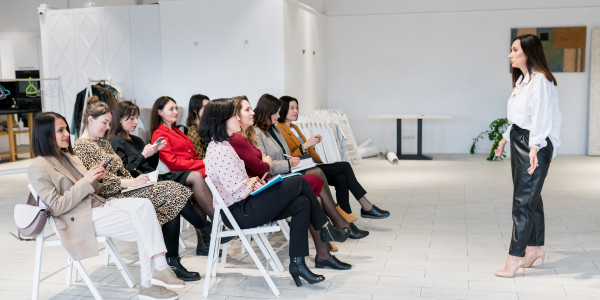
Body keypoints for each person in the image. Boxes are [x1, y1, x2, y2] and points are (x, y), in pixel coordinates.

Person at [28, 112, 184, 300]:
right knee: (147, 224)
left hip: (100, 206)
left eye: (66, 129)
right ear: (44, 134)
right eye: (60, 130)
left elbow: (92, 189)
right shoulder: (38, 166)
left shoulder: (69, 156)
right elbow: (56, 206)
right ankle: (149, 283)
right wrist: (86, 181)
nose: (67, 134)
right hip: (78, 219)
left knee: (145, 207)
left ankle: (159, 270)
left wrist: (96, 177)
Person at [200, 98, 347, 287]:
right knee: (300, 183)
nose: (238, 118)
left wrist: (252, 181)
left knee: (302, 202)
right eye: (234, 114)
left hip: (243, 205)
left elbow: (238, 183)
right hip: (239, 212)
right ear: (221, 120)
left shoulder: (224, 145)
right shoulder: (220, 149)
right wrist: (251, 183)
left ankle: (298, 263)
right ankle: (325, 226)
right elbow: (239, 191)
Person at [73, 98, 201, 282]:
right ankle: (202, 233)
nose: (108, 127)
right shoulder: (81, 147)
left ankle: (172, 261)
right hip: (112, 194)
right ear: (90, 120)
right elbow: (98, 183)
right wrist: (131, 183)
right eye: (104, 123)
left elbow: (123, 170)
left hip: (127, 186)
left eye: (109, 123)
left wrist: (137, 180)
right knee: (173, 191)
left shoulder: (103, 143)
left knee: (171, 199)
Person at [229, 96, 361, 269]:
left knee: (312, 197)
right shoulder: (238, 140)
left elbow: (263, 163)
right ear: (234, 116)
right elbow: (261, 167)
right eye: (247, 110)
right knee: (311, 180)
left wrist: (268, 162)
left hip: (265, 184)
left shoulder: (251, 136)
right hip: (257, 193)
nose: (252, 113)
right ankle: (331, 227)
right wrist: (269, 162)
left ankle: (320, 255)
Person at [107, 101, 223, 261]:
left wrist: (154, 152)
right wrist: (144, 155)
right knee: (192, 181)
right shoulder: (115, 141)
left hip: (153, 177)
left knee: (195, 181)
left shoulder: (137, 140)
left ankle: (209, 232)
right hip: (139, 184)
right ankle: (213, 227)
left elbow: (149, 166)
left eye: (136, 119)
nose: (135, 123)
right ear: (120, 119)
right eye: (131, 119)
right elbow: (126, 171)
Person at [256, 94, 389, 219]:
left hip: (307, 163)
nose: (295, 111)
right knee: (344, 166)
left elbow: (296, 152)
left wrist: (310, 145)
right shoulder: (278, 129)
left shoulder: (292, 127)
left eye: (297, 107)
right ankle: (362, 207)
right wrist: (306, 145)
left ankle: (345, 215)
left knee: (341, 178)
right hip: (299, 166)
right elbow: (290, 156)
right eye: (291, 108)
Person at [494, 34, 561, 278]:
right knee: (531, 198)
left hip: (534, 145)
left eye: (515, 50)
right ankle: (534, 249)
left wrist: (534, 148)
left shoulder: (540, 81)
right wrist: (503, 139)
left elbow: (542, 118)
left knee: (522, 202)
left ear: (528, 52)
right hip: (520, 142)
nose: (510, 55)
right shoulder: (524, 80)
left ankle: (514, 259)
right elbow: (519, 119)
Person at [150, 96, 205, 175]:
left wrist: (202, 163)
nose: (176, 112)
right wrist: (202, 163)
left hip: (193, 168)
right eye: (171, 109)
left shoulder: (176, 130)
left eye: (176, 108)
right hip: (181, 172)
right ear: (160, 112)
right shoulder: (159, 134)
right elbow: (173, 163)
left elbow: (193, 154)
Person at [185, 94, 210, 159]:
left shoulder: (207, 126)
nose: (209, 109)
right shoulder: (194, 132)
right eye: (205, 107)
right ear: (195, 110)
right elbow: (201, 158)